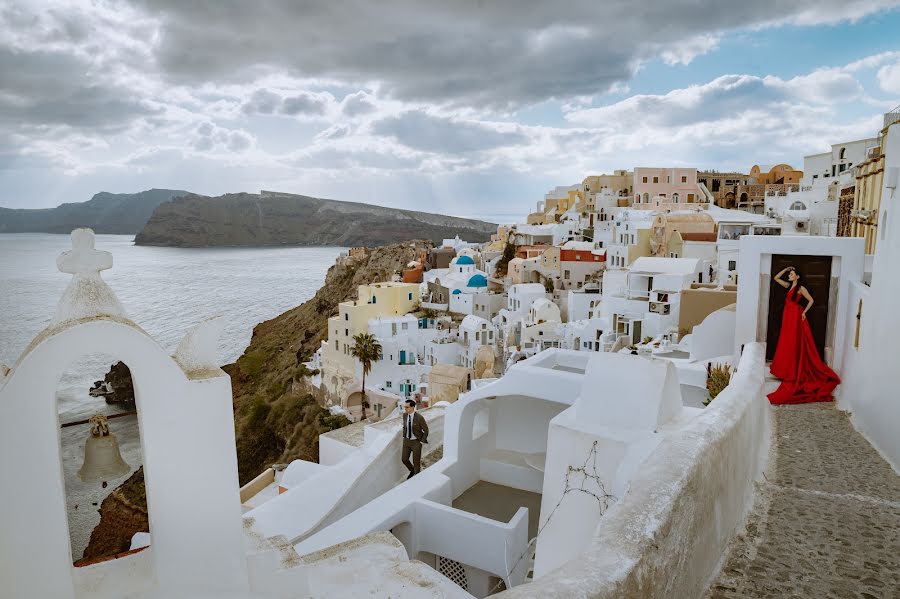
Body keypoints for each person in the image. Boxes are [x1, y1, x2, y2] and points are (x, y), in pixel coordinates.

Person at [767, 266, 840, 404]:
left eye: (792, 274)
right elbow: (775, 278)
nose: (789, 275)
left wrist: (804, 312)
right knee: (786, 342)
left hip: (795, 315)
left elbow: (811, 300)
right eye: (790, 274)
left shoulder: (801, 288)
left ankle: (792, 370)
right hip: (787, 315)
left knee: (793, 342)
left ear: (798, 277)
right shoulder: (788, 285)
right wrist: (786, 268)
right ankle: (784, 369)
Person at [400, 399, 428, 479]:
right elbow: (404, 426)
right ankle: (412, 471)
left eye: (407, 407)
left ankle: (417, 478)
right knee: (404, 459)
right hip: (406, 441)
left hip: (416, 442)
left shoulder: (419, 418)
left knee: (416, 462)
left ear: (412, 407)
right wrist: (404, 435)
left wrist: (422, 441)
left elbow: (426, 430)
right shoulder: (405, 415)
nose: (405, 408)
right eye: (404, 407)